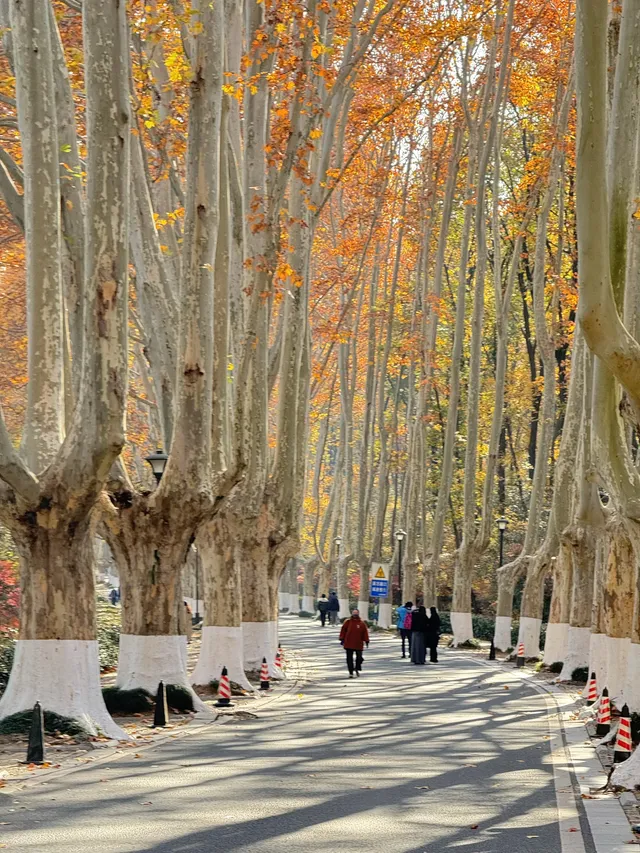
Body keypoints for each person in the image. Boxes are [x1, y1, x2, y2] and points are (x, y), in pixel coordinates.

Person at [339, 609, 370, 677]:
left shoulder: (362, 623)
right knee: (349, 658)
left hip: (358, 643)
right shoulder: (348, 622)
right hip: (349, 643)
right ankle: (351, 672)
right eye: (354, 612)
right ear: (352, 613)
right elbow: (343, 630)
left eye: (356, 613)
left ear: (358, 613)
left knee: (359, 658)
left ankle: (357, 667)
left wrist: (367, 640)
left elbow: (365, 633)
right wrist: (342, 638)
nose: (355, 614)